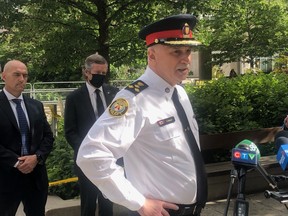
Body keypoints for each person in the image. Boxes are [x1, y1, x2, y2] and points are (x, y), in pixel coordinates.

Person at [77, 14, 208, 216]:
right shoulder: (133, 99)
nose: (185, 59)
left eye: (188, 51)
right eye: (176, 52)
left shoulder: (179, 93)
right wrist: (138, 202)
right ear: (152, 56)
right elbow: (91, 156)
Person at [64, 53, 119, 216]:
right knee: (88, 204)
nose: (100, 77)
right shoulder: (74, 98)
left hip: (110, 158)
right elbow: (70, 131)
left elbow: (120, 125)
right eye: (97, 73)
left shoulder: (114, 93)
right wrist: (89, 151)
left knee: (108, 203)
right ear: (86, 73)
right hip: (86, 159)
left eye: (104, 74)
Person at [0, 60, 54, 216]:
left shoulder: (35, 105)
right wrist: (16, 162)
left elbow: (48, 137)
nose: (22, 79)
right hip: (5, 177)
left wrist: (36, 158)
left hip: (35, 177)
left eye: (25, 75)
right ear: (4, 76)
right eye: (17, 74)